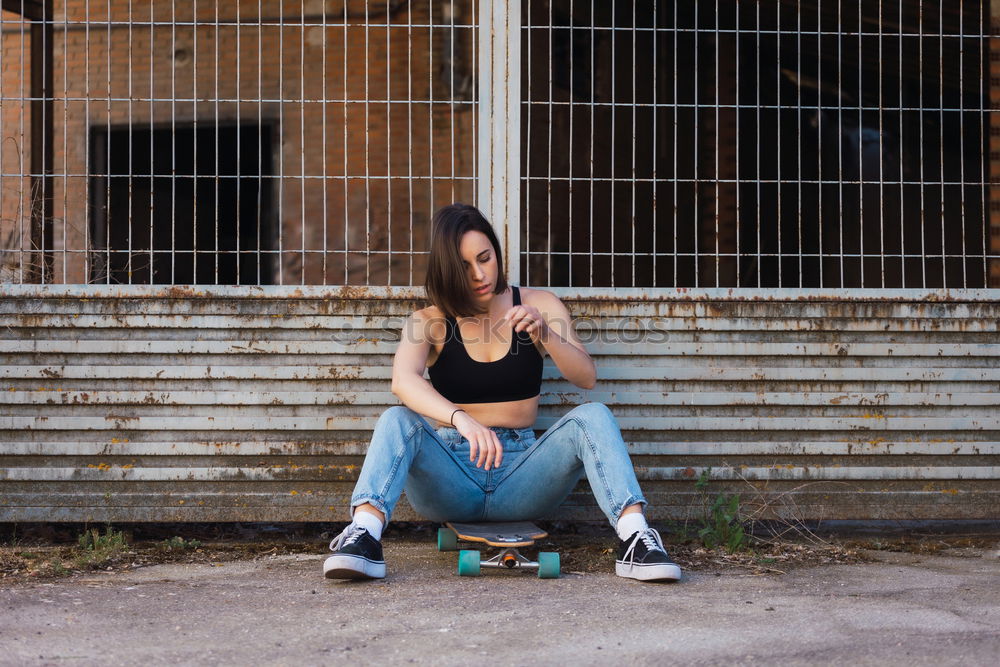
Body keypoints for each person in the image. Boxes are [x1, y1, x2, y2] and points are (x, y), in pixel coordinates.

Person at [323, 203, 681, 583]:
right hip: (452, 476)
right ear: (447, 271)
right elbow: (403, 381)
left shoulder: (538, 304)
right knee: (396, 418)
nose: (479, 274)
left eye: (485, 258)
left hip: (523, 478)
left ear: (496, 253)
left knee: (593, 416)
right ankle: (363, 536)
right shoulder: (428, 321)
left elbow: (586, 377)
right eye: (464, 266)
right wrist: (462, 420)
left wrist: (545, 333)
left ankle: (637, 539)